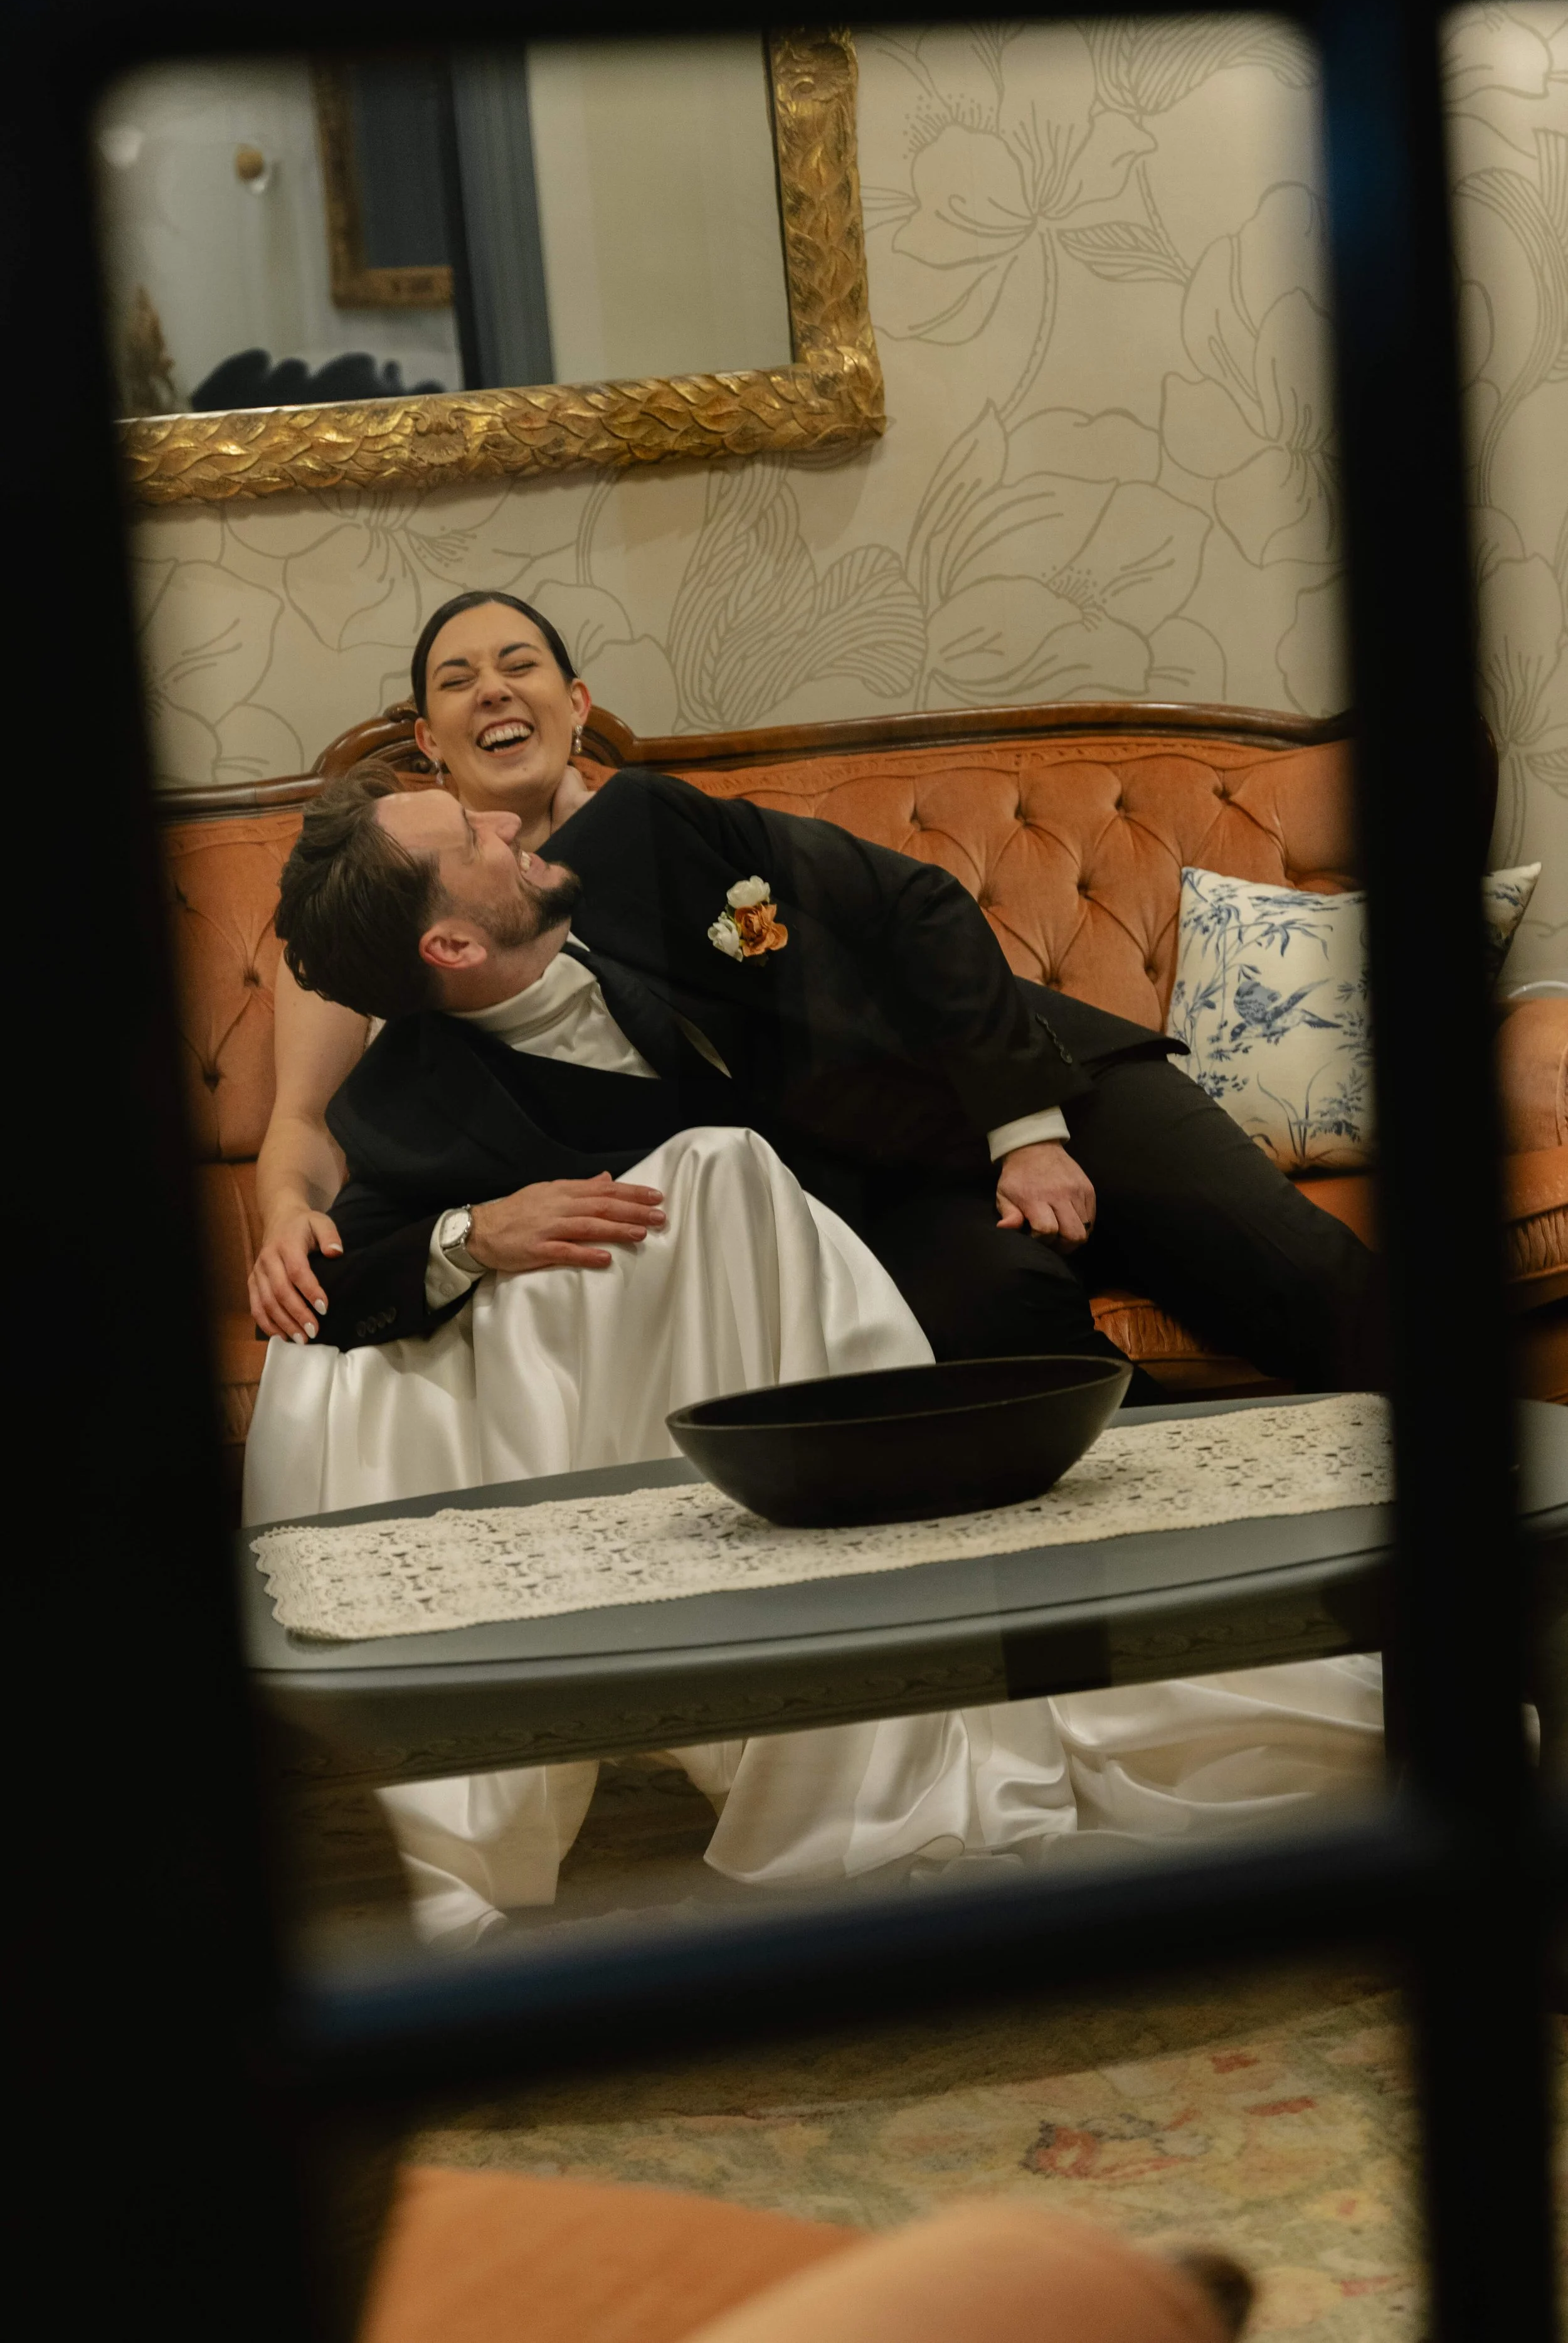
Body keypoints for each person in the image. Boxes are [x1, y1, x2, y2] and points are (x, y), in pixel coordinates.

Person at [247, 752, 1385, 1943]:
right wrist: (471, 1233)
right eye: (468, 834)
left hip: (1013, 1078)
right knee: (1030, 1368)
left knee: (1305, 1277)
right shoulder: (407, 1102)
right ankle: (1254, 1596)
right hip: (889, 1213)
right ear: (450, 947)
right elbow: (353, 1278)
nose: (501, 819)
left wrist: (1026, 1132)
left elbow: (920, 905)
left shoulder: (641, 833)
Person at [248, 590, 601, 1344]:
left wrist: (598, 836)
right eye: (457, 680)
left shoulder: (659, 848)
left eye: (518, 666)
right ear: (428, 739)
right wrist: (287, 1215)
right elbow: (305, 1120)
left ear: (576, 704)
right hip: (453, 1277)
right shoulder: (362, 914)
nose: (492, 690)